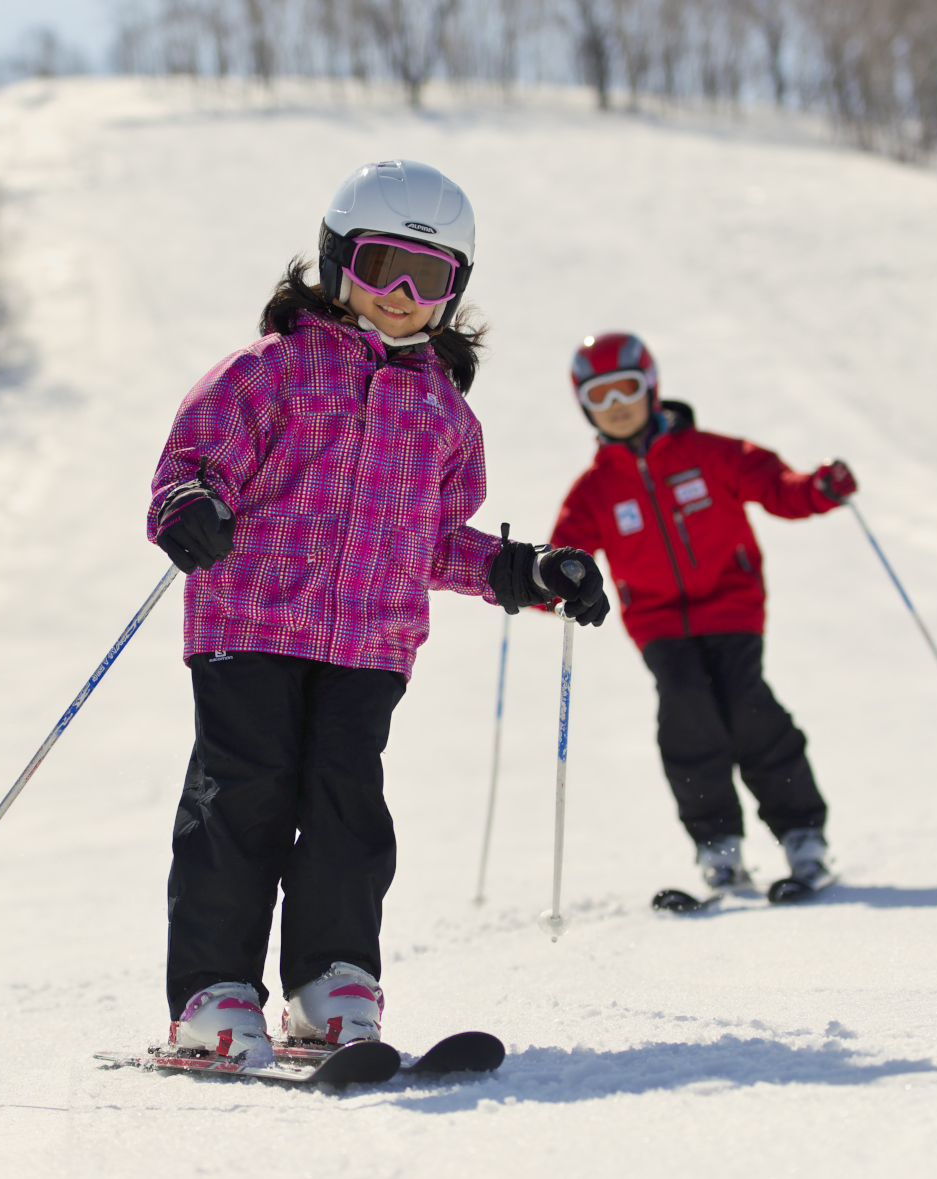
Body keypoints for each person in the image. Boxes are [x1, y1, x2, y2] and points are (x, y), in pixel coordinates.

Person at [146, 160, 610, 1066]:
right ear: (334, 260)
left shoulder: (441, 410)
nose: (401, 295)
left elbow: (437, 541)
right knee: (241, 797)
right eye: (381, 265)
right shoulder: (268, 371)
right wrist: (188, 506)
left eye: (427, 277)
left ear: (453, 290)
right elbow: (191, 463)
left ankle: (333, 980)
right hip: (249, 626)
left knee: (347, 808)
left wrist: (528, 570)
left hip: (371, 644)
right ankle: (214, 993)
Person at [547, 332, 854, 897]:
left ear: (652, 389)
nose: (616, 406)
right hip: (659, 621)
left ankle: (803, 834)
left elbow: (780, 488)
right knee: (686, 710)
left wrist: (820, 489)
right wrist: (551, 579)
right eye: (599, 396)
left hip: (731, 605)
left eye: (627, 389)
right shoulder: (594, 489)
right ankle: (718, 846)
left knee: (746, 705)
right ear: (584, 405)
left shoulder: (713, 454)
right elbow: (567, 552)